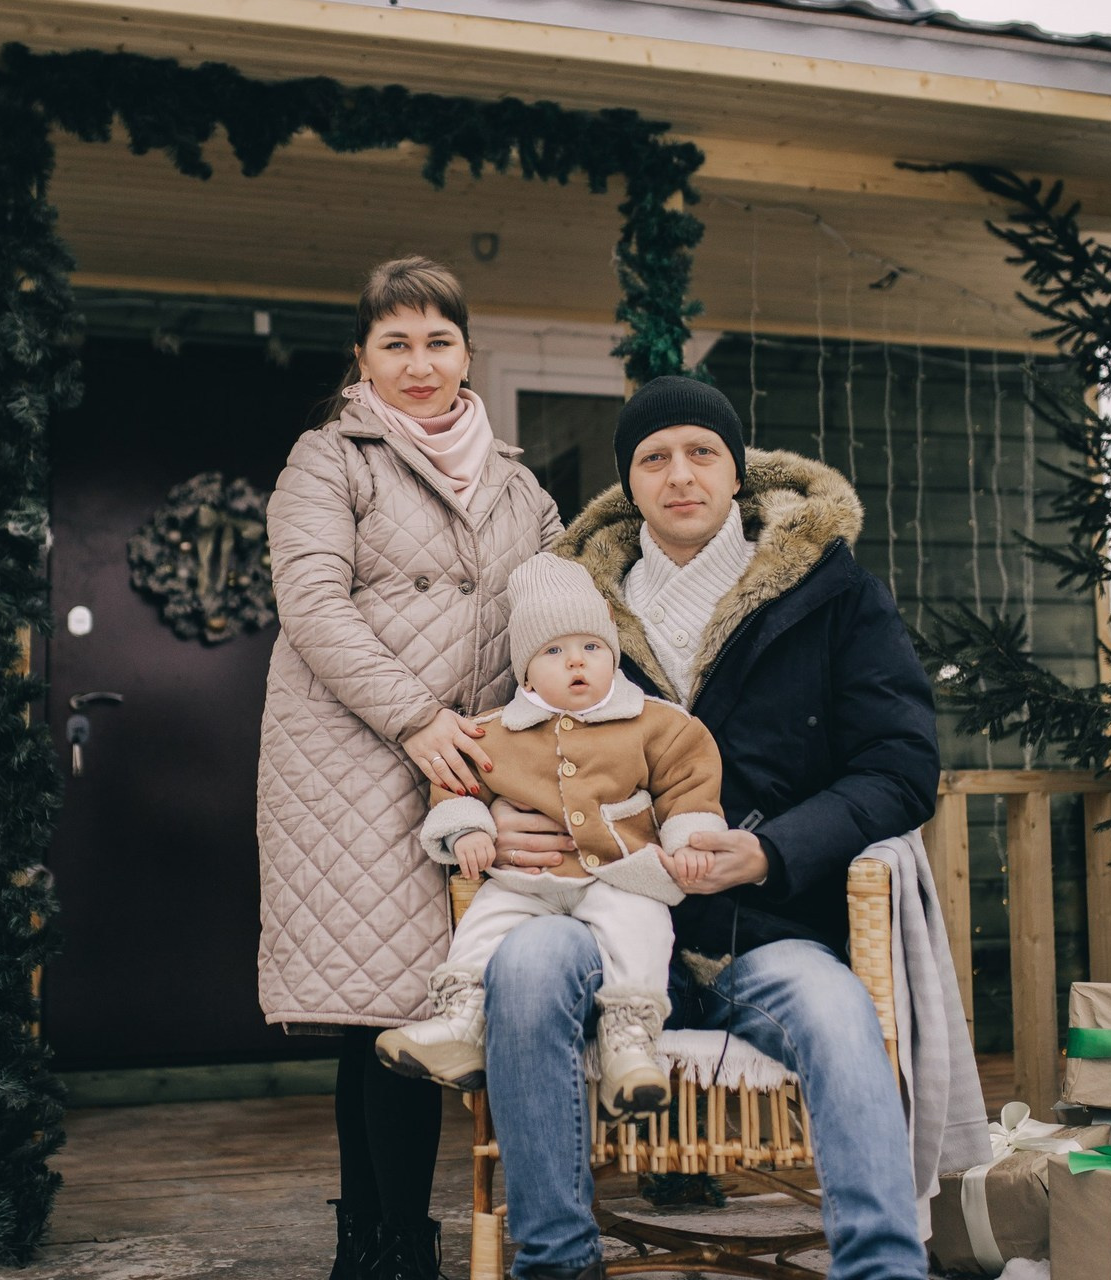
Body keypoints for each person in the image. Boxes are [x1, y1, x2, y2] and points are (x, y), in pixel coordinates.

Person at [482, 376, 947, 1280]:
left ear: (738, 472)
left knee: (837, 1009)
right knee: (527, 965)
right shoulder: (573, 606)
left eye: (702, 453)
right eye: (653, 458)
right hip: (599, 919)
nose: (679, 474)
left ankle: (886, 1270)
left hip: (762, 932)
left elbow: (900, 766)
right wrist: (501, 812)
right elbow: (506, 731)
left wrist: (772, 852)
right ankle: (555, 1264)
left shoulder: (831, 594)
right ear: (630, 483)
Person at [255, 256, 560, 1280]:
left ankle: (396, 1238)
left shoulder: (519, 483)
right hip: (350, 759)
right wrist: (416, 715)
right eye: (396, 343)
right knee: (381, 1002)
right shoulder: (327, 458)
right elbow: (313, 606)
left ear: (466, 352)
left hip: (472, 764)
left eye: (437, 340)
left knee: (435, 997)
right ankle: (383, 1242)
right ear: (363, 357)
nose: (419, 363)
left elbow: (558, 614)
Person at [374, 552, 726, 1118]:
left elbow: (689, 787)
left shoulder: (657, 723)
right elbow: (456, 788)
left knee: (641, 929)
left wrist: (689, 843)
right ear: (525, 672)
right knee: (486, 921)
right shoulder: (492, 732)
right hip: (526, 882)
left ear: (612, 654)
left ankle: (630, 1046)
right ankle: (461, 1022)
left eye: (591, 648)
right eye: (554, 652)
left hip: (621, 876)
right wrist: (468, 830)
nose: (576, 663)